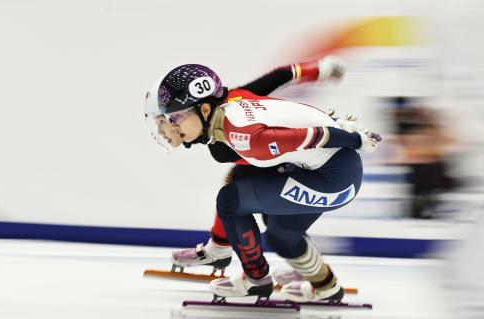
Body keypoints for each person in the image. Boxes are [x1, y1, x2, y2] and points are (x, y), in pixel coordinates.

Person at [144, 59, 381, 302]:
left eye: (175, 117)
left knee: (232, 199)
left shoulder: (242, 134)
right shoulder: (231, 104)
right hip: (332, 170)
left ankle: (255, 278)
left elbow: (310, 135)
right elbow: (282, 86)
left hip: (334, 178)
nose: (170, 127)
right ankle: (326, 286)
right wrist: (320, 75)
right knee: (280, 234)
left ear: (205, 110)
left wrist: (355, 139)